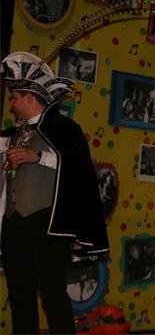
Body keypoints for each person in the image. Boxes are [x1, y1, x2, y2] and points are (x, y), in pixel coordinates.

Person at [0, 51, 109, 334]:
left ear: (30, 98)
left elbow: (79, 168)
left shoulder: (64, 129)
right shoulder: (12, 134)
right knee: (20, 296)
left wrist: (37, 156)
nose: (10, 103)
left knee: (53, 295)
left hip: (48, 223)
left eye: (14, 97)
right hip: (14, 224)